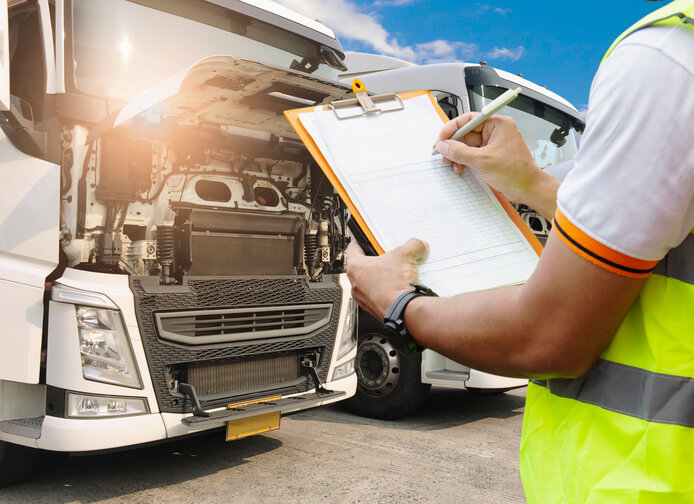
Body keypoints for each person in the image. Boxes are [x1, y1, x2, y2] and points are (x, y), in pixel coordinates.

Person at [345, 1, 694, 502]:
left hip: (643, 483)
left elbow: (547, 336)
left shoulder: (671, 56)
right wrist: (530, 181)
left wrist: (397, 301)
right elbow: (662, 236)